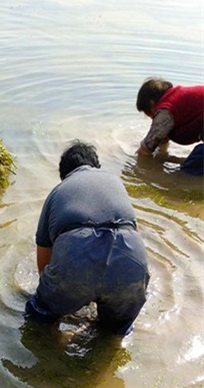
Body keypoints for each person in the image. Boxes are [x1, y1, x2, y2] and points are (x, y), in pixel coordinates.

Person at [25, 141, 150, 336]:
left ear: (64, 174)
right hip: (132, 261)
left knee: (39, 316)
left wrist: (61, 291)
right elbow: (134, 228)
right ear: (95, 166)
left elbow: (43, 260)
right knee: (115, 330)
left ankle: (51, 352)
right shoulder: (114, 181)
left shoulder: (59, 191)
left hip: (77, 255)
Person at [136, 77, 203, 175]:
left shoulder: (165, 110)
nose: (152, 119)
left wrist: (137, 165)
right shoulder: (178, 100)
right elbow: (162, 138)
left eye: (150, 114)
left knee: (188, 170)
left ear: (152, 104)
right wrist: (162, 152)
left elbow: (146, 149)